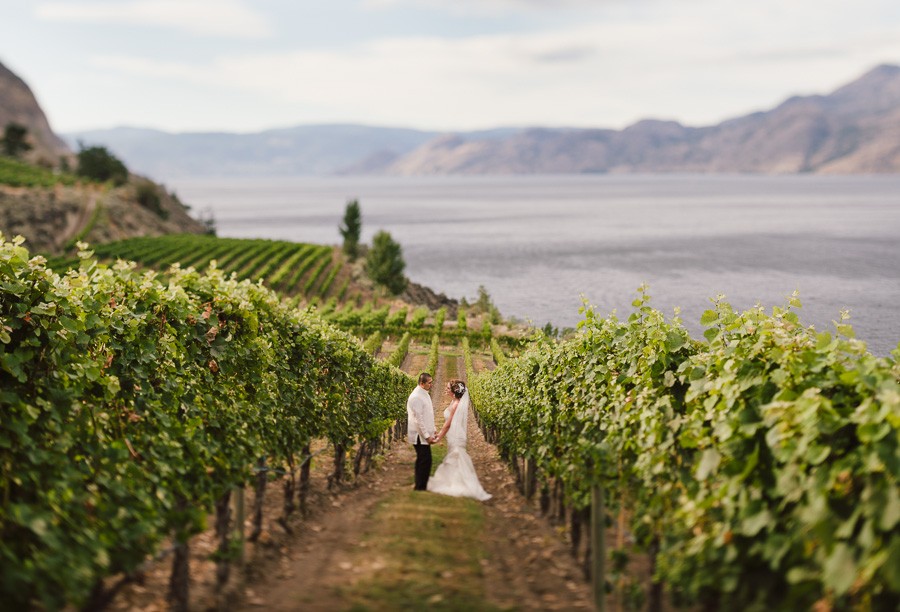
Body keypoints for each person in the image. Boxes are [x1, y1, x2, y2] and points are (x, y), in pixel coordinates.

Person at [427, 379, 491, 501]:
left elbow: (448, 424)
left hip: (456, 435)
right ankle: (454, 481)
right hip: (454, 434)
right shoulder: (455, 402)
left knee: (457, 457)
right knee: (455, 458)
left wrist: (439, 437)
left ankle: (459, 484)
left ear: (454, 391)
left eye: (447, 388)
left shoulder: (456, 405)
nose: (446, 389)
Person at [407, 372, 436, 491]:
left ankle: (420, 485)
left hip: (423, 435)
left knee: (423, 459)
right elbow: (418, 420)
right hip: (419, 436)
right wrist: (426, 436)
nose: (431, 384)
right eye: (429, 383)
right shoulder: (416, 397)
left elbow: (427, 415)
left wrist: (433, 430)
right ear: (422, 383)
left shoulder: (424, 393)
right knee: (425, 460)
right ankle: (420, 486)